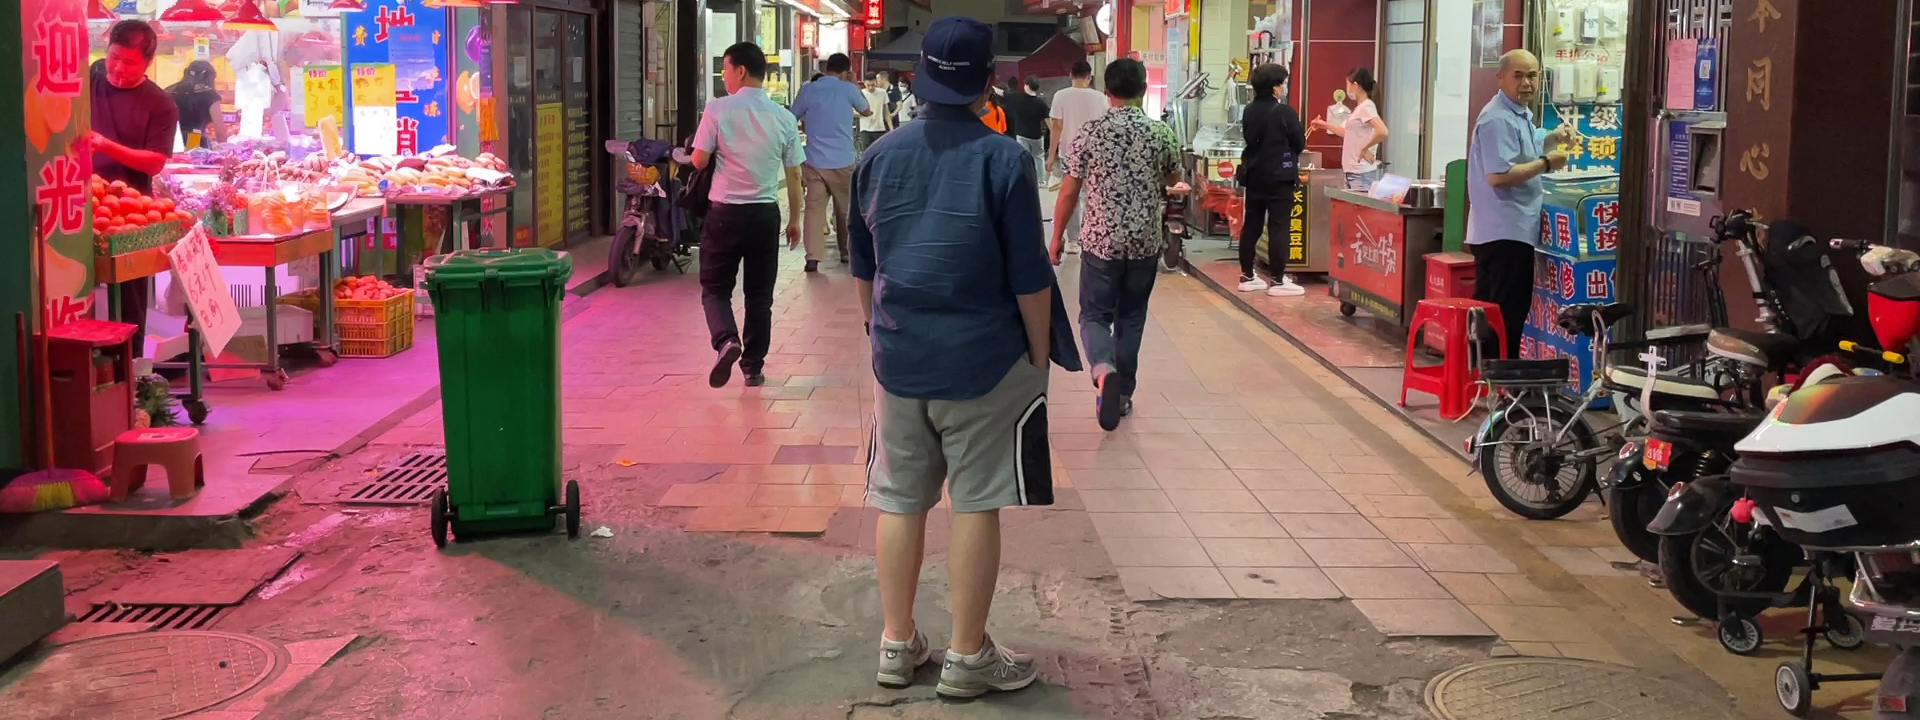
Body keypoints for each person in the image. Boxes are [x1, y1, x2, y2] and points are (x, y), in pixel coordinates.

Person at [850, 15, 1080, 699]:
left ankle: (896, 645)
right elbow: (1029, 274)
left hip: (899, 358)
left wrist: (878, 334)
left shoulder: (878, 157)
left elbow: (864, 265)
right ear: (988, 85)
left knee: (900, 500)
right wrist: (1037, 354)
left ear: (920, 76)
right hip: (983, 359)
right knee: (976, 503)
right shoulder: (1003, 160)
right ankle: (966, 655)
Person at [1049, 58, 1183, 432]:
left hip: (1100, 242)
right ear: (1143, 90)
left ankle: (1103, 369)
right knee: (1131, 317)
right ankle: (1122, 393)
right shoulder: (1161, 133)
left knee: (1094, 315)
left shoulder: (1090, 133)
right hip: (1144, 242)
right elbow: (1173, 178)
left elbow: (1069, 192)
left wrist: (1056, 237)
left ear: (1106, 92)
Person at [689, 42, 805, 388]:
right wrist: (795, 220)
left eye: (725, 69)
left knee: (715, 289)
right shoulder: (784, 117)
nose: (723, 75)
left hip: (724, 214)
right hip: (764, 216)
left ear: (740, 71)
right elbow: (795, 175)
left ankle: (727, 340)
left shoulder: (718, 109)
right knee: (759, 296)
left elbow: (699, 160)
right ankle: (753, 367)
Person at [1467, 49, 1577, 359]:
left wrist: (1552, 138)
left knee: (1494, 311)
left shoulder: (1516, 113)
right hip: (1505, 231)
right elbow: (1499, 176)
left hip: (1503, 230)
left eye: (1532, 75)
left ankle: (1485, 374)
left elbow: (1522, 147)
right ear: (1500, 77)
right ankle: (1499, 377)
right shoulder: (1497, 119)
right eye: (1518, 76)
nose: (1526, 83)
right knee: (1506, 314)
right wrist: (1546, 163)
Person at [87, 19, 179, 358]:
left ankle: (131, 370)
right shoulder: (92, 77)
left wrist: (107, 146)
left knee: (130, 302)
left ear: (148, 63)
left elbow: (155, 162)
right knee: (77, 294)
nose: (117, 69)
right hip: (82, 205)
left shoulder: (161, 104)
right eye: (114, 57)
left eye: (129, 63)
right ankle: (86, 368)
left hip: (132, 214)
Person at [788, 52, 871, 272]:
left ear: (827, 69)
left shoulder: (808, 89)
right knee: (845, 209)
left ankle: (812, 257)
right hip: (843, 160)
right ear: (846, 72)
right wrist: (853, 82)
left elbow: (791, 116)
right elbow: (866, 110)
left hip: (814, 161)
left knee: (814, 209)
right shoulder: (848, 88)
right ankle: (846, 252)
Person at [1235, 63, 1308, 297]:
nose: (1283, 88)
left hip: (1254, 176)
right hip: (1279, 178)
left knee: (1252, 224)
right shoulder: (1284, 112)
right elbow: (1299, 143)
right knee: (1279, 226)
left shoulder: (1249, 110)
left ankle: (1247, 276)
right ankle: (1277, 280)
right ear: (1275, 87)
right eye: (1282, 83)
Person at [1048, 61, 1107, 250]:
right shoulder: (1100, 98)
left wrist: (1051, 155)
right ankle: (1090, 238)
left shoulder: (1061, 95)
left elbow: (1057, 127)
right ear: (1089, 77)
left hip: (1069, 153)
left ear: (1071, 75)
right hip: (1094, 154)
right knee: (1091, 196)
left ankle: (1073, 241)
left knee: (1070, 195)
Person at [1310, 68, 1388, 190]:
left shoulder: (1366, 106)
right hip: (1352, 173)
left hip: (1361, 174)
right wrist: (1324, 125)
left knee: (1360, 203)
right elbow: (1346, 132)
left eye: (1347, 84)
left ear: (1355, 85)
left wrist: (1364, 148)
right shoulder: (1359, 109)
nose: (1347, 89)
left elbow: (1382, 131)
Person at [169, 60, 226, 148]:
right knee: (192, 156)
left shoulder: (169, 91)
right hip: (195, 139)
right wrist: (224, 149)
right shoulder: (209, 94)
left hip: (171, 140)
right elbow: (219, 127)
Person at [1000, 77, 1050, 180]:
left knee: (1024, 158)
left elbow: (1001, 93)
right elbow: (1048, 121)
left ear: (1026, 86)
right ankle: (1041, 181)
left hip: (1022, 134)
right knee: (1039, 157)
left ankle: (1026, 180)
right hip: (1036, 135)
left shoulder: (1017, 98)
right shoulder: (1041, 103)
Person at [858, 72, 893, 152]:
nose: (870, 87)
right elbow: (854, 111)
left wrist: (891, 128)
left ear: (876, 82)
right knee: (866, 152)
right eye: (868, 85)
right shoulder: (861, 94)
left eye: (873, 85)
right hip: (865, 129)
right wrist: (863, 113)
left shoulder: (882, 93)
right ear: (864, 83)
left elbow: (886, 112)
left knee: (879, 153)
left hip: (879, 128)